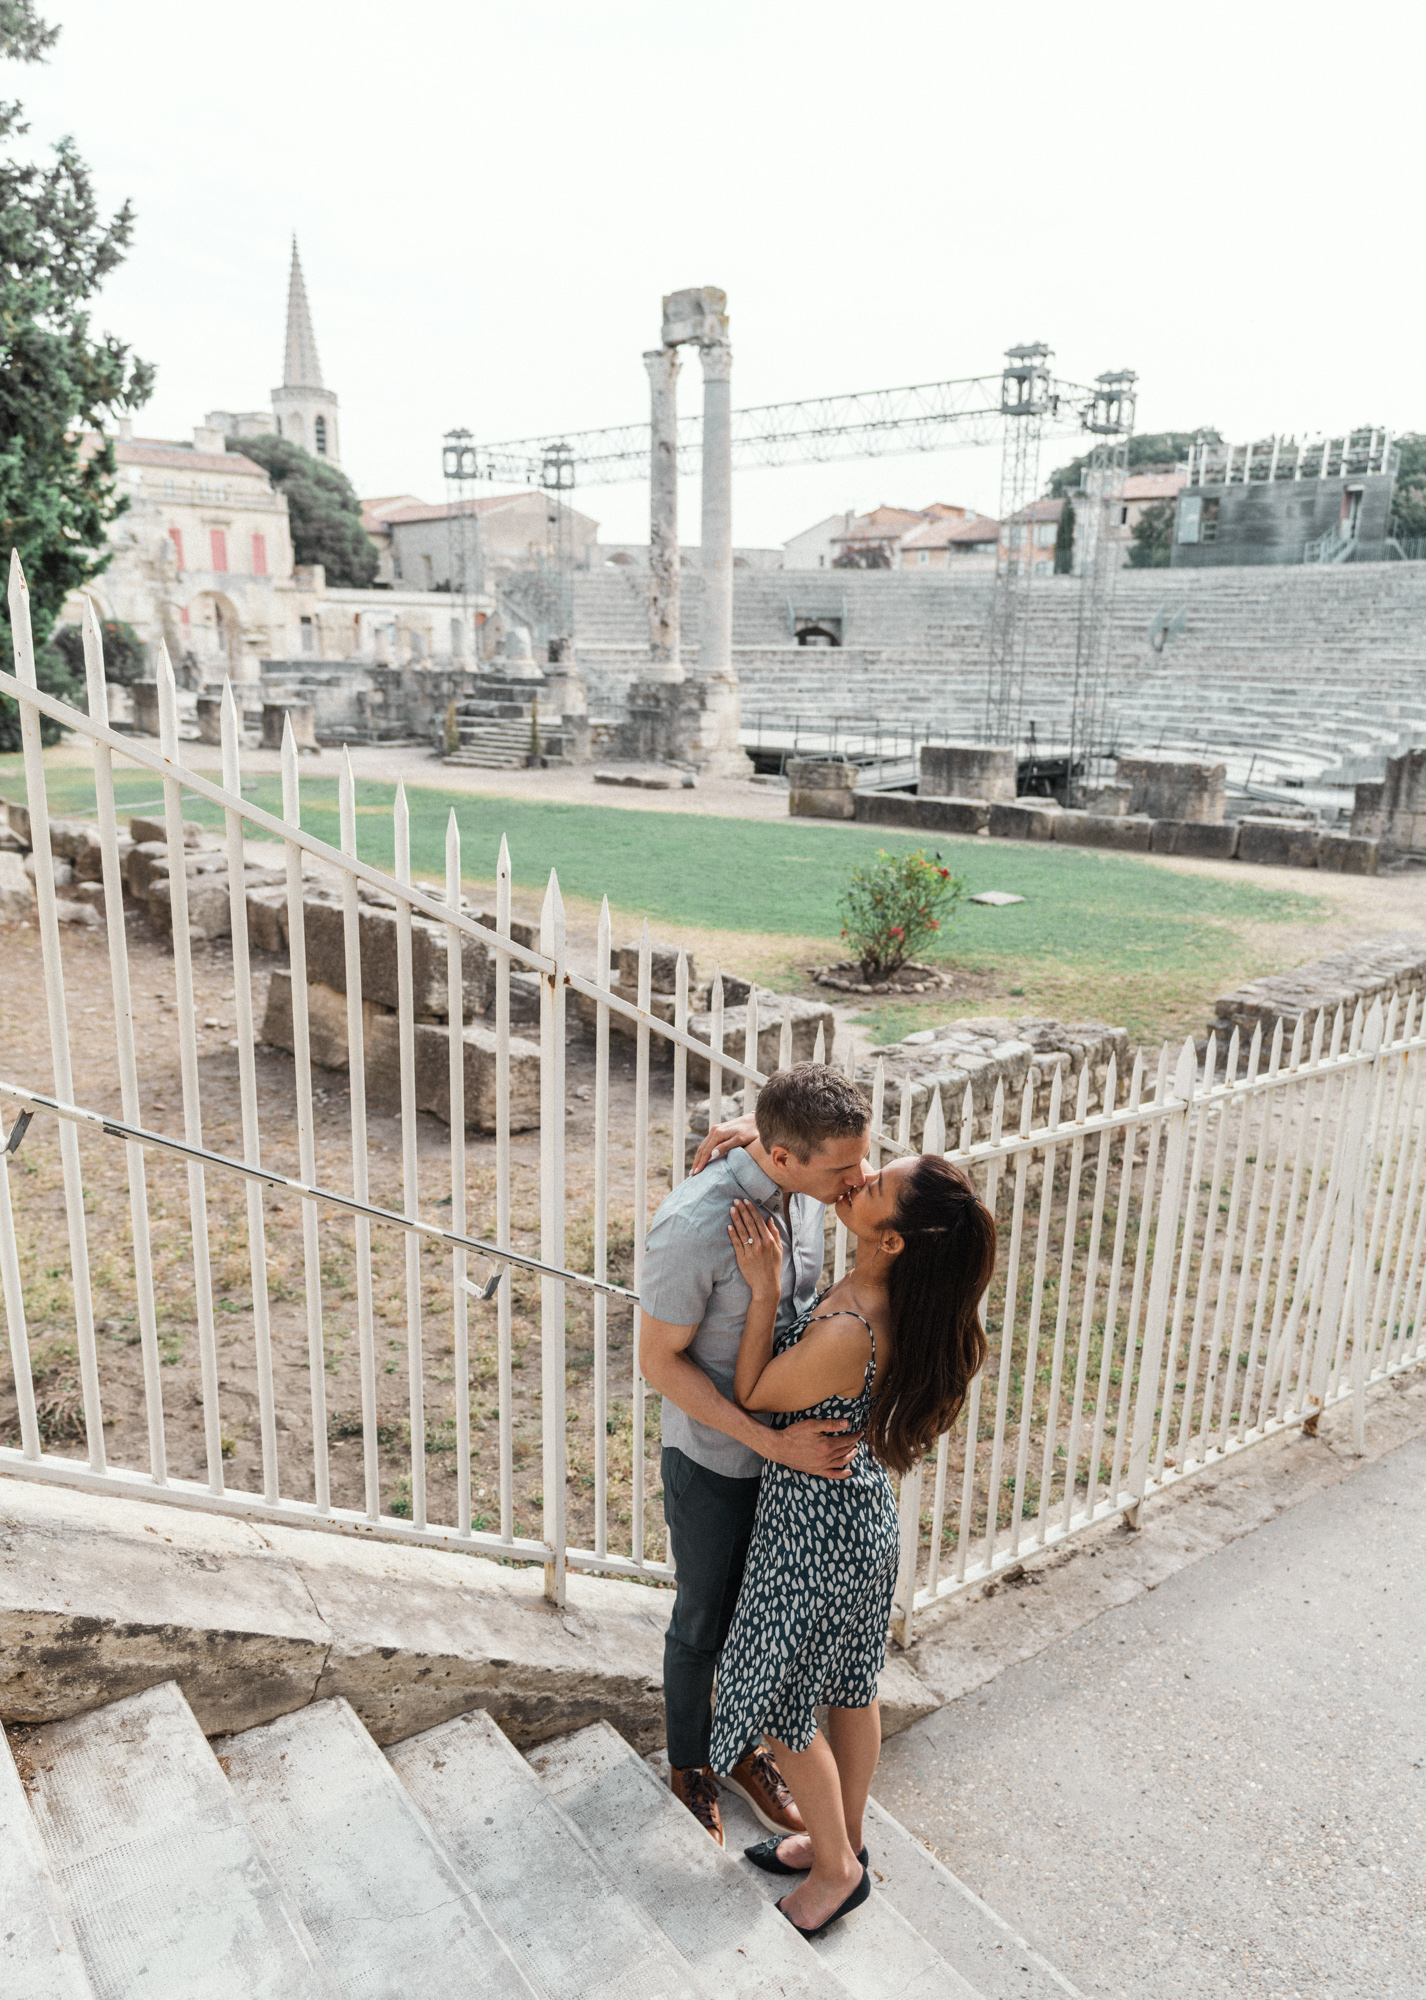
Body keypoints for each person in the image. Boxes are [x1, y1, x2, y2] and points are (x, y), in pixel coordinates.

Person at [709, 1150, 995, 1938]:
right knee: (850, 1689)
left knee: (777, 1703)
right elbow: (861, 1176)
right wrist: (758, 1134)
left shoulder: (851, 1325)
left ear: (894, 1238)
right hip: (859, 1518)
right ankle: (847, 1839)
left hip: (815, 1533)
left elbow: (756, 1394)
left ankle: (838, 1872)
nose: (861, 1177)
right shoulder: (907, 1292)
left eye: (877, 1185)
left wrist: (765, 1291)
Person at [639, 1065, 874, 1846]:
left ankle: (743, 1752)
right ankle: (688, 1765)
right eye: (843, 1168)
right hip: (716, 1461)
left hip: (790, 1464)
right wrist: (769, 1442)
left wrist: (756, 1121)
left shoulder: (807, 1179)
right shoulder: (691, 1225)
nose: (858, 1181)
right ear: (782, 1158)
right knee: (702, 1621)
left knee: (757, 1626)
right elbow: (659, 1363)